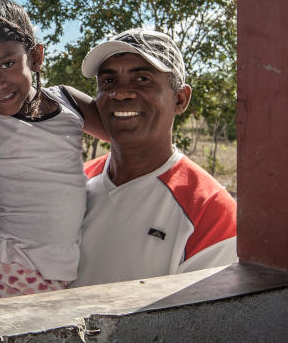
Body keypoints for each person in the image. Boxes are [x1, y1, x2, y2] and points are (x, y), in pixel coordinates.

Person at [0, 0, 107, 301]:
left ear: (36, 57)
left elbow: (124, 133)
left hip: (63, 267)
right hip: (5, 266)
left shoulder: (68, 102)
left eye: (7, 64)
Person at [72, 28, 237, 287]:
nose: (121, 93)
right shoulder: (73, 183)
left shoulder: (209, 210)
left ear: (180, 99)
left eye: (143, 80)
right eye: (108, 81)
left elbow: (204, 321)